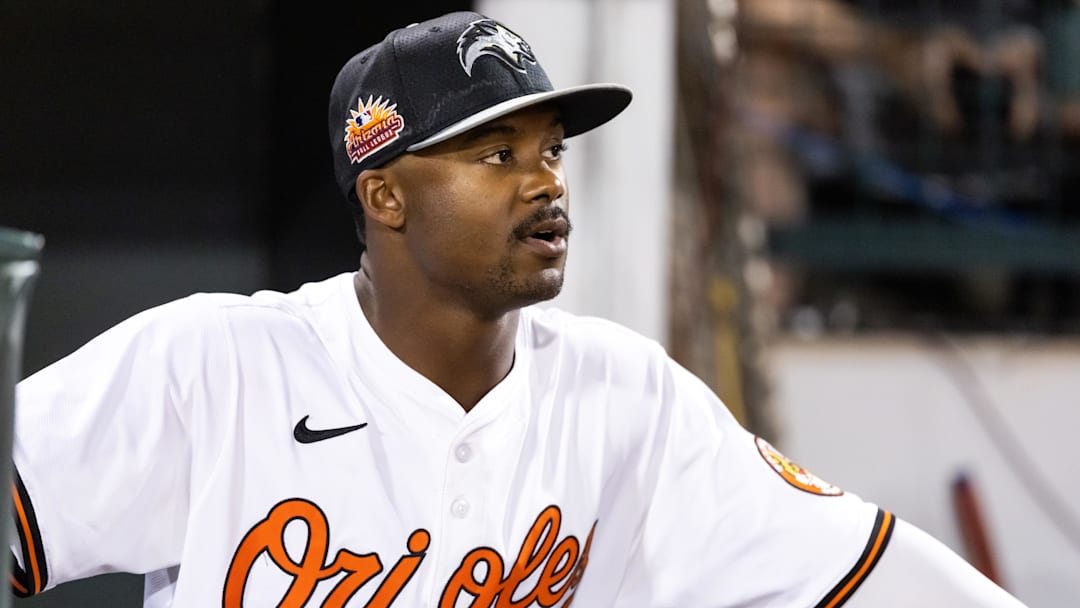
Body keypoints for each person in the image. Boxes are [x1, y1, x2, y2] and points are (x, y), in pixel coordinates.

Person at [10, 11, 1028, 607]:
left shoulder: (619, 394)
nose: (545, 184)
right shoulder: (216, 363)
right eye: (498, 155)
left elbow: (875, 569)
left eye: (551, 151)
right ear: (387, 193)